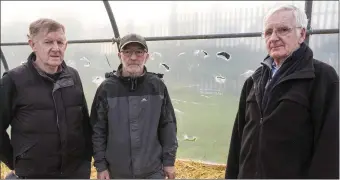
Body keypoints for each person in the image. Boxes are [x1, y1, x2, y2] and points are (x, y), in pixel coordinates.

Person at [225, 4, 339, 179]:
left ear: (302, 34)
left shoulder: (322, 78)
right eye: (268, 32)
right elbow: (237, 142)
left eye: (283, 30)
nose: (274, 37)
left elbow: (330, 149)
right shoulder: (253, 81)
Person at [0, 18, 93, 179]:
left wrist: (85, 161)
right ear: (33, 44)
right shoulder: (14, 80)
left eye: (60, 42)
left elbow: (84, 123)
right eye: (48, 42)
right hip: (34, 174)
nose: (56, 48)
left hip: (75, 173)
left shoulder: (73, 76)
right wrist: (16, 161)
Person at [90, 33, 178, 179]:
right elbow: (98, 130)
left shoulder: (157, 86)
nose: (133, 58)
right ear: (119, 55)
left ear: (147, 56)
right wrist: (101, 166)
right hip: (116, 173)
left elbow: (167, 125)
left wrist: (169, 161)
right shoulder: (107, 89)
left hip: (152, 171)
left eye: (139, 52)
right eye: (127, 52)